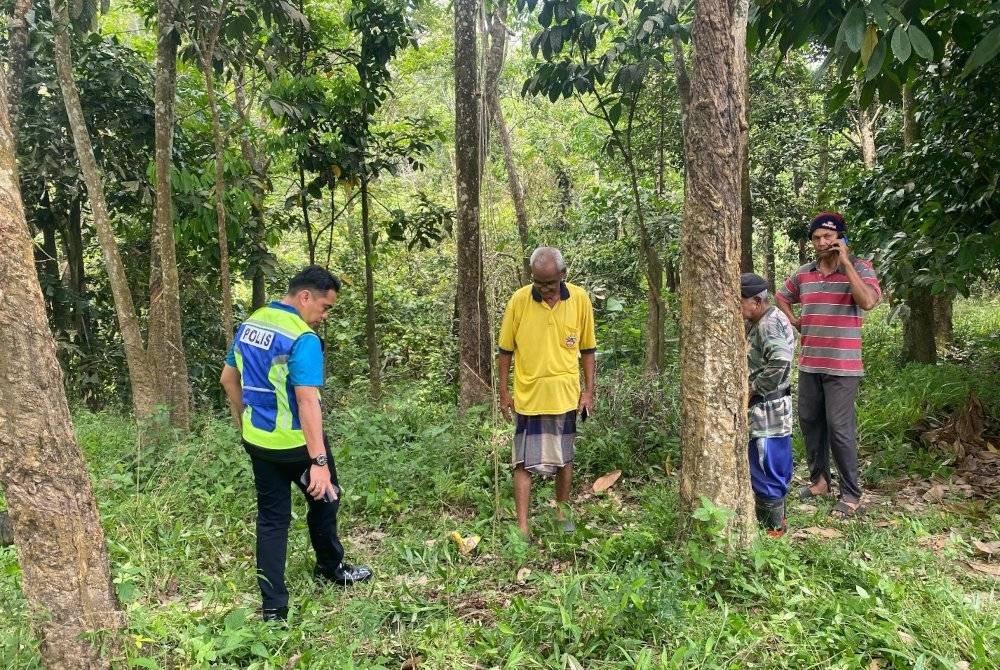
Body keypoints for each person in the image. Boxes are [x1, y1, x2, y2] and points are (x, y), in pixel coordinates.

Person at [220, 266, 372, 622]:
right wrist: (319, 462)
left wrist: (245, 422)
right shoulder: (302, 338)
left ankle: (274, 607)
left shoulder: (252, 323)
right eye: (325, 307)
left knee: (272, 521)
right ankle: (331, 568)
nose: (324, 315)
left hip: (258, 442)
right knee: (327, 498)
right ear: (305, 297)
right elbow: (307, 401)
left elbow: (228, 379)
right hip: (297, 446)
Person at [776, 212, 881, 519]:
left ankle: (851, 494)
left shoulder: (861, 267)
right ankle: (820, 482)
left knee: (839, 428)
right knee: (810, 422)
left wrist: (846, 262)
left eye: (828, 236)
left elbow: (868, 302)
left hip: (843, 367)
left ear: (841, 238)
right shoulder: (805, 273)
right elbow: (781, 296)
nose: (822, 242)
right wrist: (795, 321)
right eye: (816, 238)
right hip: (810, 363)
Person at [497, 247, 596, 538]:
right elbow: (505, 351)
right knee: (522, 462)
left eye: (550, 283)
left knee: (565, 459)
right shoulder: (519, 301)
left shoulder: (579, 299)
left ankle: (562, 515)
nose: (545, 289)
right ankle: (522, 527)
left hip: (565, 395)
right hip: (529, 396)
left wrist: (588, 392)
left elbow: (588, 349)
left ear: (563, 275)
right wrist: (504, 392)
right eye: (538, 283)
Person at [741, 273, 796, 536]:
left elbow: (781, 360)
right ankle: (775, 526)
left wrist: (754, 389)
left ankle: (772, 532)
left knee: (766, 466)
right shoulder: (761, 320)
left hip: (768, 409)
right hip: (771, 408)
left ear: (757, 301)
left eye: (740, 301)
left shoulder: (769, 323)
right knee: (771, 464)